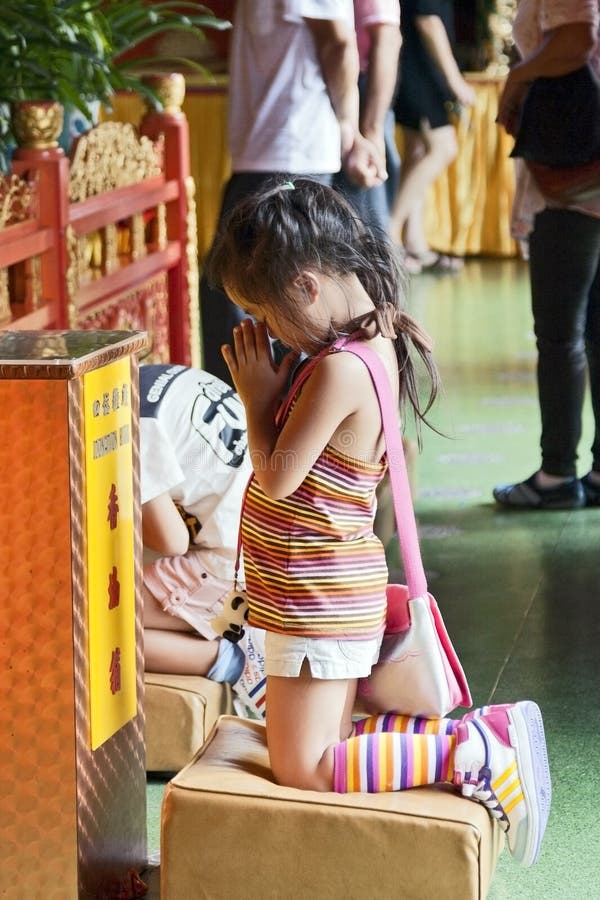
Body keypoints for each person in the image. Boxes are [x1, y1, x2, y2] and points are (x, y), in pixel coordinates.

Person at [206, 177, 551, 868]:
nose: (268, 336)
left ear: (306, 287)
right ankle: (469, 739)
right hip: (325, 594)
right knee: (325, 750)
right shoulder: (370, 341)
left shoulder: (337, 370)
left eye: (266, 317)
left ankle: (471, 748)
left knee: (303, 768)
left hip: (319, 600)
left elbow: (276, 476)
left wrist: (256, 397)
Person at [199, 0, 386, 386]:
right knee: (243, 291)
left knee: (269, 294)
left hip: (290, 146)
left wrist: (349, 129)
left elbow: (338, 44)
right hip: (266, 150)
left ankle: (273, 416)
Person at [493, 0, 600, 509]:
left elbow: (577, 38)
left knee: (560, 334)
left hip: (575, 167)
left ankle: (558, 475)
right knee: (595, 329)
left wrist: (519, 77)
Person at [139, 362, 266, 716]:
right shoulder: (155, 377)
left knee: (96, 623)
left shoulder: (130, 428)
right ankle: (211, 623)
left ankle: (226, 658)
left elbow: (173, 541)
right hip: (268, 533)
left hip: (235, 567)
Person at [389, 0, 476, 274]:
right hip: (418, 70)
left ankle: (414, 242)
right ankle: (389, 235)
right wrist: (455, 81)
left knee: (417, 153)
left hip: (413, 67)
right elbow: (428, 21)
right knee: (443, 147)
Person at [333, 0, 402, 233]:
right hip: (346, 90)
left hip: (360, 94)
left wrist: (371, 128)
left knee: (362, 227)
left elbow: (387, 39)